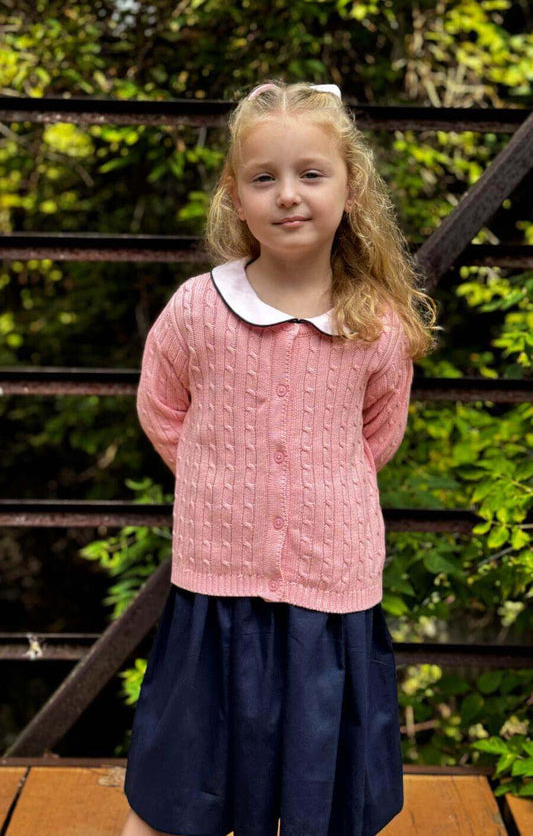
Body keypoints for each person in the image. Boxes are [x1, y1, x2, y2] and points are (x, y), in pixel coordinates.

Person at [120, 78, 439, 836]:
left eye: (310, 173)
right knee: (182, 778)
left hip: (328, 592)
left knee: (317, 790)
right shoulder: (197, 307)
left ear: (350, 188)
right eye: (264, 178)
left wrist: (312, 495)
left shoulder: (378, 326)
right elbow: (163, 410)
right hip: (214, 587)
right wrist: (222, 480)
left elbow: (375, 434)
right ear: (235, 194)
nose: (288, 195)